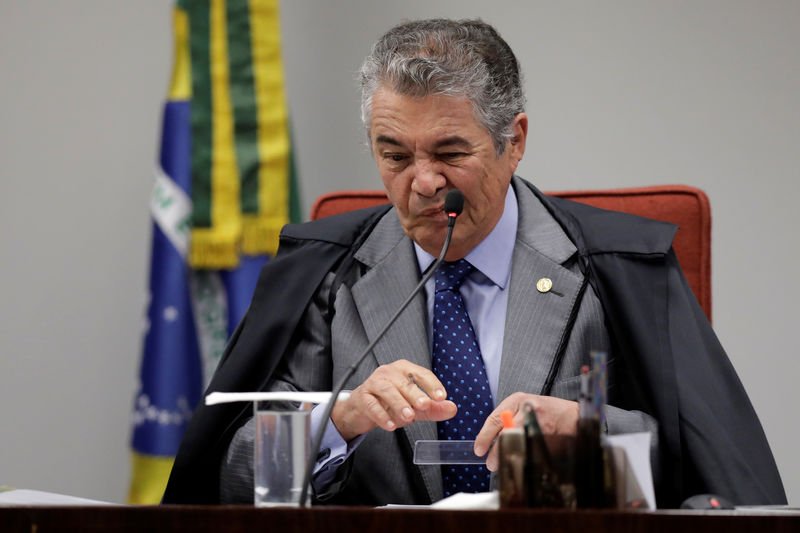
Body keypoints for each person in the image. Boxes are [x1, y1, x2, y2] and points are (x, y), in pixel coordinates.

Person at [162, 18, 785, 508]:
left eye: (450, 152)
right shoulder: (329, 276)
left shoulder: (615, 268)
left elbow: (706, 470)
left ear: (513, 141)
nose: (423, 183)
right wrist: (338, 420)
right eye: (394, 155)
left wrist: (593, 436)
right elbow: (230, 480)